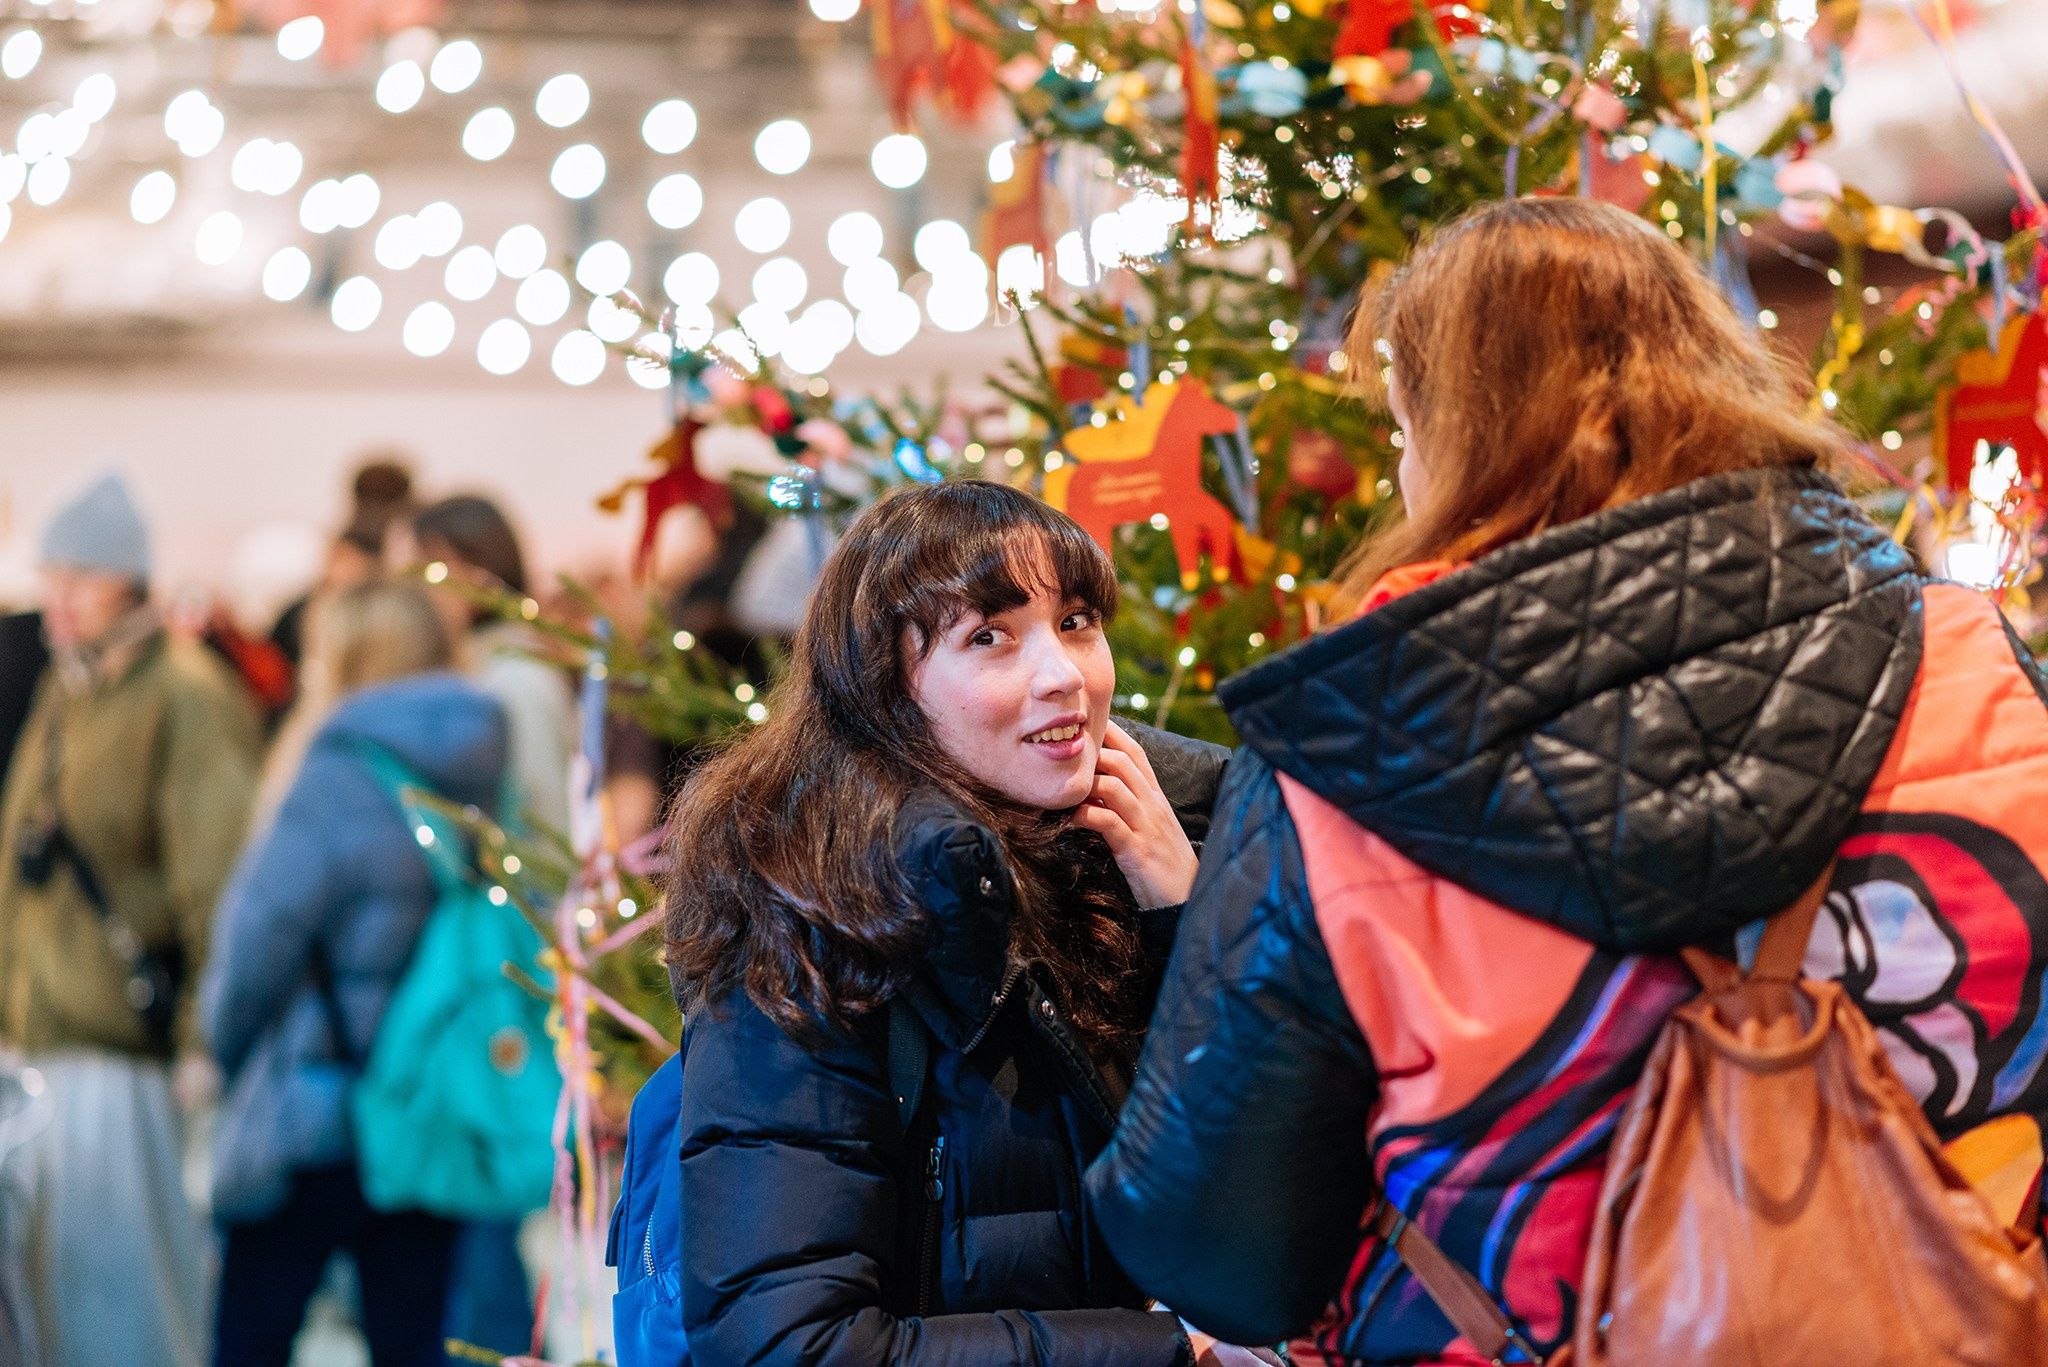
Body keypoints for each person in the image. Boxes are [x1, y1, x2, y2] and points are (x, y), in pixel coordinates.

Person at [1085, 196, 2048, 1366]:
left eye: (1401, 430)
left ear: (1455, 443)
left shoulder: (1336, 764)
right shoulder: (1977, 663)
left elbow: (1223, 1251)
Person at [661, 480, 1274, 1366]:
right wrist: (1172, 1352)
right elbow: (791, 1343)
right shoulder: (812, 921)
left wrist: (1186, 915)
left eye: (1075, 623)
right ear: (886, 688)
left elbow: (1254, 1193)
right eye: (990, 637)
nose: (1064, 675)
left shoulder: (1131, 859)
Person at [203, 578, 507, 1367]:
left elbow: (256, 941)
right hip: (430, 1100)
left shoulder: (334, 772)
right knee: (412, 1341)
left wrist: (223, 1048)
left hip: (316, 1104)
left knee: (251, 1336)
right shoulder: (481, 763)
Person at [0, 472, 263, 1367]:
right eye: (52, 573)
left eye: (82, 575)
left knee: (124, 1306)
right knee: (51, 1299)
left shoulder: (183, 693)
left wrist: (201, 1040)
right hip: (45, 1042)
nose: (58, 596)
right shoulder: (70, 688)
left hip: (128, 1056)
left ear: (131, 581)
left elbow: (219, 878)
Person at [402, 494, 576, 835]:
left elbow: (542, 818)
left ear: (479, 572)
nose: (416, 590)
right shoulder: (478, 667)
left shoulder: (515, 677)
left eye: (429, 569)